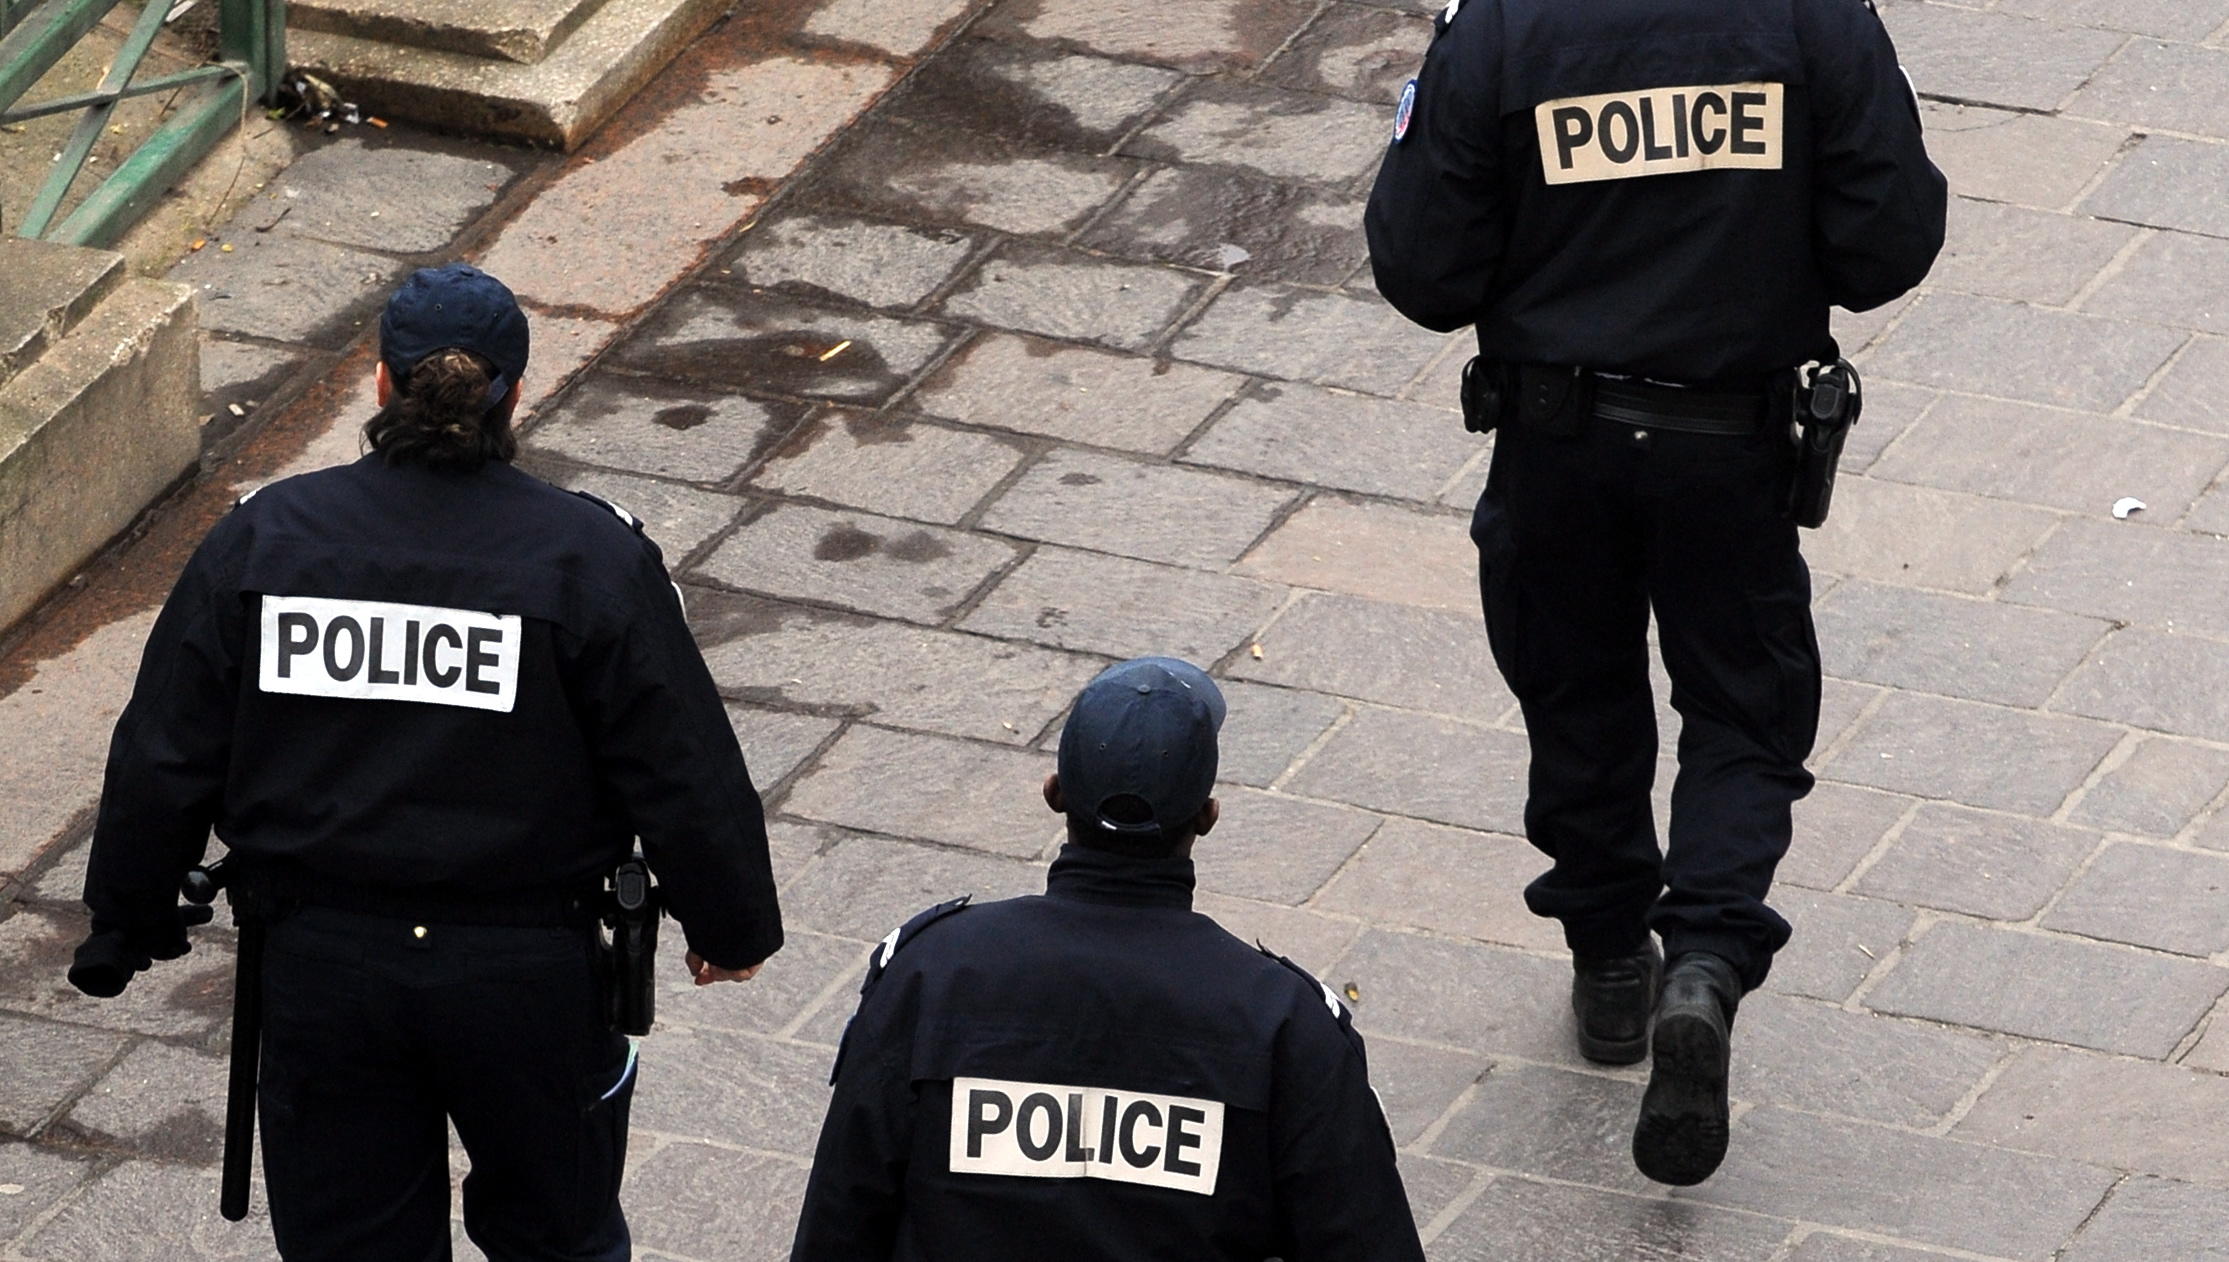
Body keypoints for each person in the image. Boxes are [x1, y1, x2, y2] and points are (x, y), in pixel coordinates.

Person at [69, 263, 784, 1260]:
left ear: (379, 385)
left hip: (324, 968)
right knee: (558, 1235)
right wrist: (730, 919)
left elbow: (163, 751)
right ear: (515, 394)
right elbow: (679, 761)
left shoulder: (267, 540)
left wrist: (128, 916)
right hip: (530, 974)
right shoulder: (586, 559)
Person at [1364, 0, 1945, 1187]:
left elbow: (1423, 268)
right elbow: (1889, 240)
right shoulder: (1808, 22)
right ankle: (1707, 961)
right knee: (1743, 708)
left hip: (1555, 435)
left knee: (1575, 683)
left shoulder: (1504, 32)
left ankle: (1611, 961)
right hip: (1728, 437)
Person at [788, 657, 1426, 1262]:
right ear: (1206, 817)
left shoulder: (930, 975)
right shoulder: (1284, 1023)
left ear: (1055, 792)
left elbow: (842, 1221)